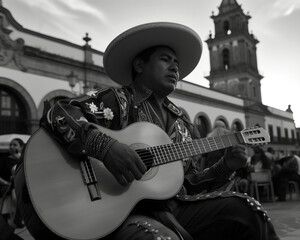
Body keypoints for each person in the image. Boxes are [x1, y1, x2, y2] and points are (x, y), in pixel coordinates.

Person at [14, 22, 279, 240]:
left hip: (170, 210)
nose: (175, 66)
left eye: (176, 62)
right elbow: (57, 113)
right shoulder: (116, 100)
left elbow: (186, 186)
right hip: (110, 214)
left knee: (249, 211)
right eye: (165, 59)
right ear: (140, 66)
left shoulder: (184, 125)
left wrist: (225, 167)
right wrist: (104, 147)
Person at [0, 138, 25, 240]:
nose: (12, 147)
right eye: (11, 145)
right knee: (15, 196)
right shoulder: (4, 160)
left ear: (21, 147)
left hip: (18, 186)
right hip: (7, 187)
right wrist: (6, 183)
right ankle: (16, 220)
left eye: (15, 145)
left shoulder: (22, 159)